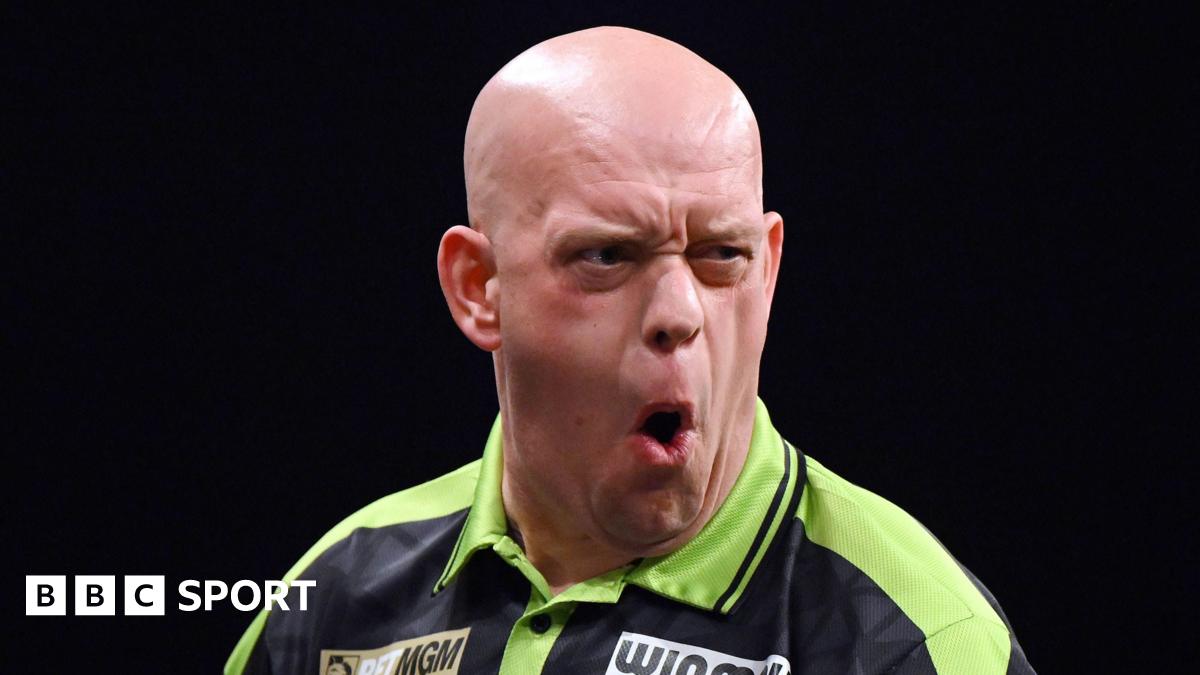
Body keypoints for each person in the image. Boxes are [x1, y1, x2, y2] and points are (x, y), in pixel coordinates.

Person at [227, 26, 1034, 675]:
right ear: (478, 286)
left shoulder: (912, 637)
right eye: (608, 256)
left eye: (722, 255)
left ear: (769, 270)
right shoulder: (332, 601)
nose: (679, 314)